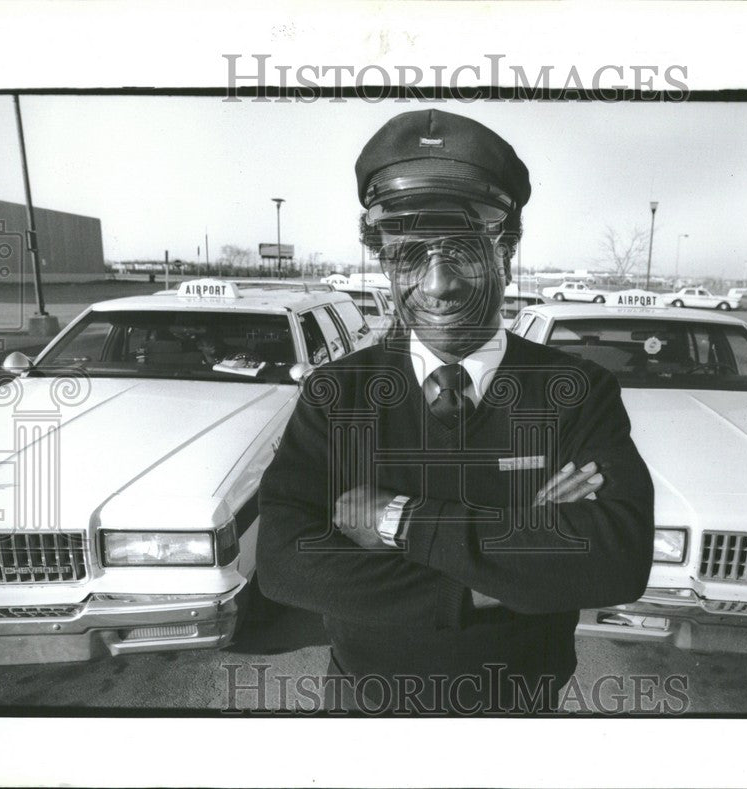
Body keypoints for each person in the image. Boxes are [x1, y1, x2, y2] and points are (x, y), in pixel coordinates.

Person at [256, 109, 654, 714]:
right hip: (366, 703)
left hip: (517, 706)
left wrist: (398, 521)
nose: (437, 284)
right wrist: (510, 567)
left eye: (464, 251)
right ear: (384, 261)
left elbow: (616, 562)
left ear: (507, 252)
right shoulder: (337, 394)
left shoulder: (577, 391)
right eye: (409, 254)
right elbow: (285, 564)